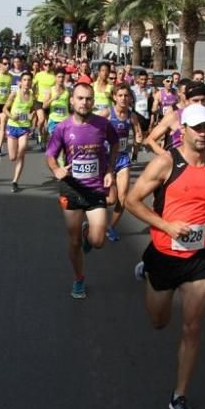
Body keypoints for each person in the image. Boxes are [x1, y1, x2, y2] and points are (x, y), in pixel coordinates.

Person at [125, 104, 205, 409]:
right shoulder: (165, 163)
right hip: (163, 255)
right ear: (184, 131)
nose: (204, 133)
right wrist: (166, 226)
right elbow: (131, 201)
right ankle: (146, 268)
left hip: (198, 258)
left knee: (192, 327)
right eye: (198, 128)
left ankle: (179, 397)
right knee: (159, 322)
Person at [46, 83, 119, 300]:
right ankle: (79, 278)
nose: (84, 102)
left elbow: (115, 144)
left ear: (93, 101)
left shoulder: (103, 125)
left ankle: (89, 232)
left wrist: (109, 168)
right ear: (72, 100)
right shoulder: (63, 128)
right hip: (72, 189)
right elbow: (50, 154)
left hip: (96, 190)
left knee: (98, 241)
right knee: (74, 241)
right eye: (80, 98)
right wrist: (56, 169)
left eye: (88, 98)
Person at [102, 83, 143, 243]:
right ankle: (93, 212)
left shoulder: (132, 116)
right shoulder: (107, 113)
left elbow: (138, 134)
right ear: (114, 97)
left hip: (122, 159)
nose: (124, 98)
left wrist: (138, 141)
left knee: (123, 198)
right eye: (120, 95)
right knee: (110, 199)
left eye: (126, 95)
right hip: (106, 159)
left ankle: (110, 227)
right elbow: (90, 125)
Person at [2, 71, 35, 192]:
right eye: (25, 80)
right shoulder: (14, 94)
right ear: (20, 82)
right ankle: (17, 157)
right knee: (12, 157)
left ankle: (15, 181)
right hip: (12, 126)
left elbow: (33, 110)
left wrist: (32, 116)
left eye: (29, 80)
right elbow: (5, 108)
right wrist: (11, 116)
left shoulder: (32, 95)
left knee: (21, 153)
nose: (27, 82)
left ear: (31, 82)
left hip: (24, 128)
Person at [130, 70, 154, 160]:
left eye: (145, 79)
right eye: (141, 79)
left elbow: (152, 105)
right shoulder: (132, 89)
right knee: (138, 134)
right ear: (137, 79)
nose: (143, 81)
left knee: (143, 136)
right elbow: (129, 101)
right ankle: (134, 155)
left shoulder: (150, 89)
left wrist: (150, 97)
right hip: (136, 115)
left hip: (146, 116)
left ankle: (137, 149)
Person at [33, 57, 58, 146]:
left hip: (49, 102)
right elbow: (32, 85)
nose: (47, 66)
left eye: (49, 64)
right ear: (43, 66)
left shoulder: (54, 77)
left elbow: (57, 88)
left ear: (52, 66)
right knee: (41, 120)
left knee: (47, 125)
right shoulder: (39, 75)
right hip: (39, 101)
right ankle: (39, 133)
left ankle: (44, 140)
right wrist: (32, 94)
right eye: (45, 64)